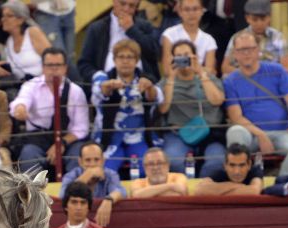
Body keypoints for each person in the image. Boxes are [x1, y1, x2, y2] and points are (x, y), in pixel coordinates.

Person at [222, 0, 288, 142]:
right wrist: (248, 68)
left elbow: (286, 67)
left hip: (276, 78)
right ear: (247, 18)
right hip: (245, 78)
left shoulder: (278, 36)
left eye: (263, 19)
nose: (259, 23)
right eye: (255, 19)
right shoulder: (237, 39)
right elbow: (225, 67)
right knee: (226, 83)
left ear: (269, 18)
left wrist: (266, 72)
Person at [223, 29, 288, 177]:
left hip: (282, 133)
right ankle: (246, 181)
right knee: (235, 132)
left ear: (258, 50)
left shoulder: (277, 70)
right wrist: (261, 135)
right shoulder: (230, 80)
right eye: (241, 50)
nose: (246, 53)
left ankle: (282, 182)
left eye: (250, 49)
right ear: (235, 54)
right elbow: (235, 117)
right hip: (251, 135)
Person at [9, 47, 88, 175]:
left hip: (67, 140)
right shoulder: (31, 86)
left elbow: (81, 128)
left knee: (78, 156)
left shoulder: (76, 91)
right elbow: (21, 101)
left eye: (58, 65)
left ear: (65, 68)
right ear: (43, 67)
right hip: (38, 139)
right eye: (50, 65)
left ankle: (72, 190)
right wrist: (20, 108)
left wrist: (61, 144)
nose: (54, 69)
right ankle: (32, 194)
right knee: (28, 156)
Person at [156, 38, 226, 178]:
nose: (183, 59)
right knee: (174, 161)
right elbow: (163, 109)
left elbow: (217, 100)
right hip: (178, 134)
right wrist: (170, 78)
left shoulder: (208, 77)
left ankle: (203, 193)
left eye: (187, 55)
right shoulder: (165, 83)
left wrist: (200, 73)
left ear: (195, 57)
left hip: (210, 132)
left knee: (216, 163)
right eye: (179, 56)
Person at [91, 38, 162, 175]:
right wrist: (109, 86)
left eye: (130, 57)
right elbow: (98, 92)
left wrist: (149, 88)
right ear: (114, 60)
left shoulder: (146, 78)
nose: (125, 61)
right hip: (109, 137)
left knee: (146, 169)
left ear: (137, 61)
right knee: (105, 170)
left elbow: (158, 98)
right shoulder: (103, 76)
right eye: (121, 57)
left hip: (139, 136)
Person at [78, 0, 160, 84]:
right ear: (114, 2)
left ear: (136, 7)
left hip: (141, 84)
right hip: (105, 85)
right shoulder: (96, 28)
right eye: (123, 4)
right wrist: (98, 77)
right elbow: (84, 63)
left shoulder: (145, 26)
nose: (126, 9)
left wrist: (131, 29)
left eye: (131, 6)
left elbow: (155, 53)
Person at [58, 141, 127, 227]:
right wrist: (85, 177)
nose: (92, 164)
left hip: (104, 225)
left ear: (103, 161)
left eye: (96, 160)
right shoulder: (71, 175)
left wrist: (108, 200)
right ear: (80, 161)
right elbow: (62, 195)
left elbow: (121, 191)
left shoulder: (110, 174)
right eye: (88, 160)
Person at [160, 0, 216, 75]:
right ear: (180, 12)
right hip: (175, 80)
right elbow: (167, 69)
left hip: (199, 81)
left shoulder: (209, 40)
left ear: (202, 11)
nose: (191, 13)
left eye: (195, 9)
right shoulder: (169, 34)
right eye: (187, 9)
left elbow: (210, 70)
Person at [0, 1, 50, 82]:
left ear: (21, 19)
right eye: (3, 16)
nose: (3, 19)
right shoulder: (8, 42)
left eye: (9, 16)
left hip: (43, 83)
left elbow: (51, 59)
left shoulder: (33, 32)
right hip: (23, 88)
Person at [193, 143, 264, 196]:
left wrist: (218, 190)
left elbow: (254, 191)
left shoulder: (255, 171)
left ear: (249, 165)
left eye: (242, 165)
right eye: (232, 165)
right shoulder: (219, 172)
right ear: (225, 165)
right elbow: (199, 190)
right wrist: (241, 187)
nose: (237, 171)